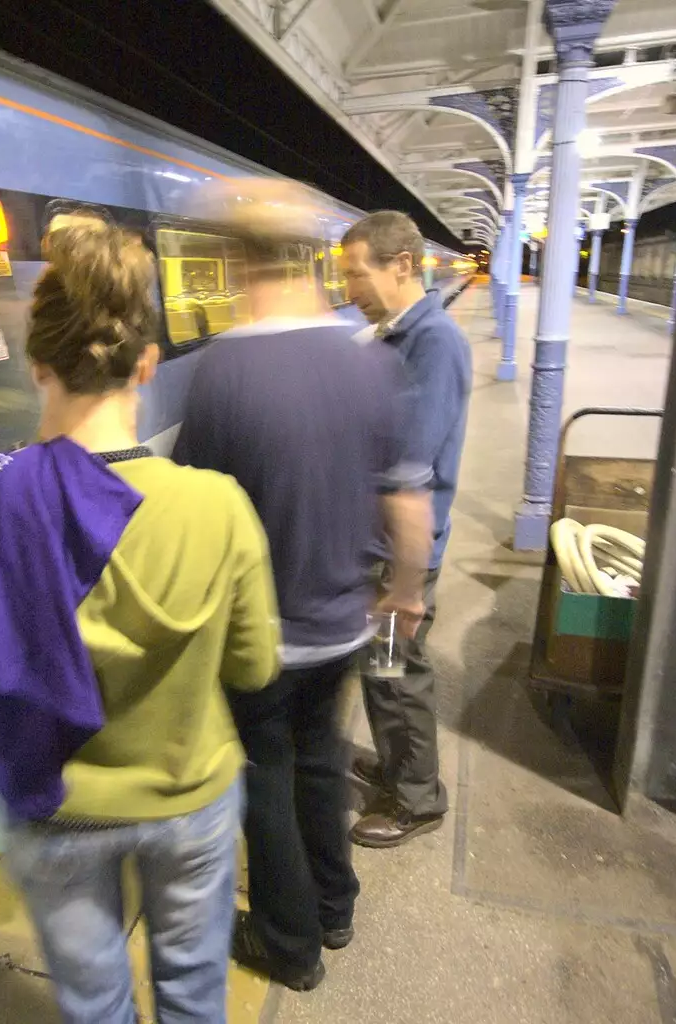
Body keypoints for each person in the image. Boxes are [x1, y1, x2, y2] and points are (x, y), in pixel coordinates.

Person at [0, 224, 281, 1024]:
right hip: (188, 794)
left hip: (55, 800)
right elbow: (254, 668)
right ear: (148, 363)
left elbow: (5, 636)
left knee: (94, 1004)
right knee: (195, 992)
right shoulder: (218, 505)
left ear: (36, 363)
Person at [174, 180, 433, 991]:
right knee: (321, 758)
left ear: (240, 263)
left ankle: (289, 945)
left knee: (267, 773)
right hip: (347, 618)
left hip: (265, 632)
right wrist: (406, 593)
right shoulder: (368, 361)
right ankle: (335, 907)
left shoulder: (223, 369)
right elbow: (408, 501)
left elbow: (195, 505)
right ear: (312, 264)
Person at [340, 210, 473, 849]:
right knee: (381, 674)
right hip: (380, 552)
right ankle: (398, 768)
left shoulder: (433, 343)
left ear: (402, 264)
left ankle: (419, 799)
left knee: (396, 677)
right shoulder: (393, 338)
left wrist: (408, 587)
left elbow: (411, 480)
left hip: (399, 559)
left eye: (356, 273)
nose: (347, 290)